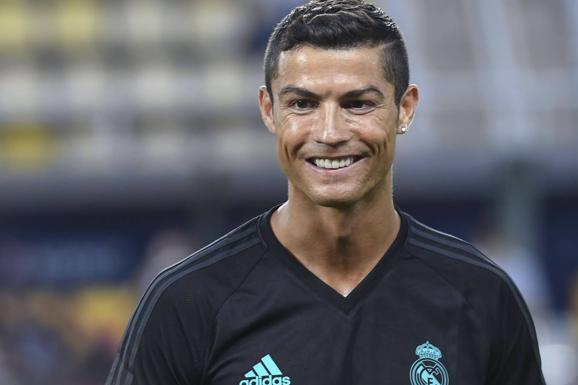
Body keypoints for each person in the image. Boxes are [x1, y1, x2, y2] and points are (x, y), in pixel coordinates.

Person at [106, 1, 546, 384]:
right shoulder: (188, 302)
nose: (330, 132)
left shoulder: (482, 295)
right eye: (302, 104)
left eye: (358, 104)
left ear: (404, 109)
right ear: (269, 110)